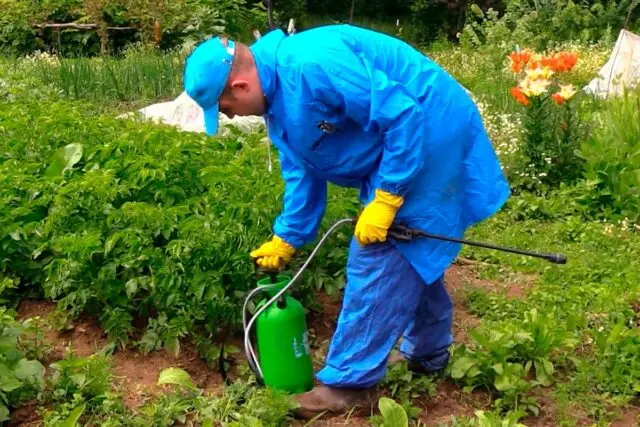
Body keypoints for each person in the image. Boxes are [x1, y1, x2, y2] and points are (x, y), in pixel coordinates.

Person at [183, 24, 510, 418]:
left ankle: (349, 385)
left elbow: (403, 114)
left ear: (238, 86)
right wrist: (288, 236)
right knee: (412, 253)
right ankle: (429, 353)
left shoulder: (310, 64)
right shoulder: (279, 99)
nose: (231, 117)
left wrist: (388, 196)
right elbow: (303, 170)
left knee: (379, 253)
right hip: (403, 137)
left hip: (428, 126)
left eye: (224, 109)